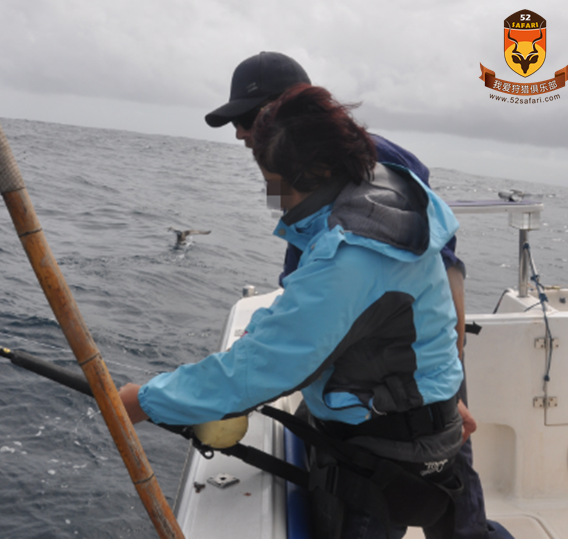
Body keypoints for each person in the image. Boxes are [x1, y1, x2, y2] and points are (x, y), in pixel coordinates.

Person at [121, 83, 465, 538]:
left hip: (386, 446)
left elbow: (262, 369)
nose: (272, 197)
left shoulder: (351, 255)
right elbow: (322, 308)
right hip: (420, 414)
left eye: (273, 183)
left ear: (315, 171)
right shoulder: (386, 190)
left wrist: (140, 402)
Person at [203, 51, 513, 539]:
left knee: (418, 507)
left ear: (285, 110)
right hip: (406, 372)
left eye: (245, 118)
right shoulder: (302, 169)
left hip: (407, 373)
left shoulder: (370, 160)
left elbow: (437, 261)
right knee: (445, 499)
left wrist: (443, 387)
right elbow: (305, 271)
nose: (239, 133)